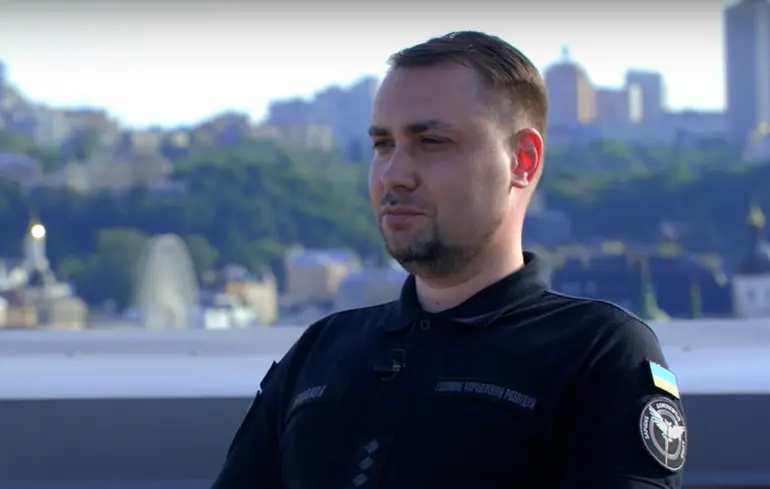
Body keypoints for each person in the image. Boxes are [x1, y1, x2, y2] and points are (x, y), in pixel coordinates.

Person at [210, 31, 687, 489]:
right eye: (383, 145)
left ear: (521, 160)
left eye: (432, 142)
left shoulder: (597, 354)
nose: (394, 174)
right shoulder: (321, 351)